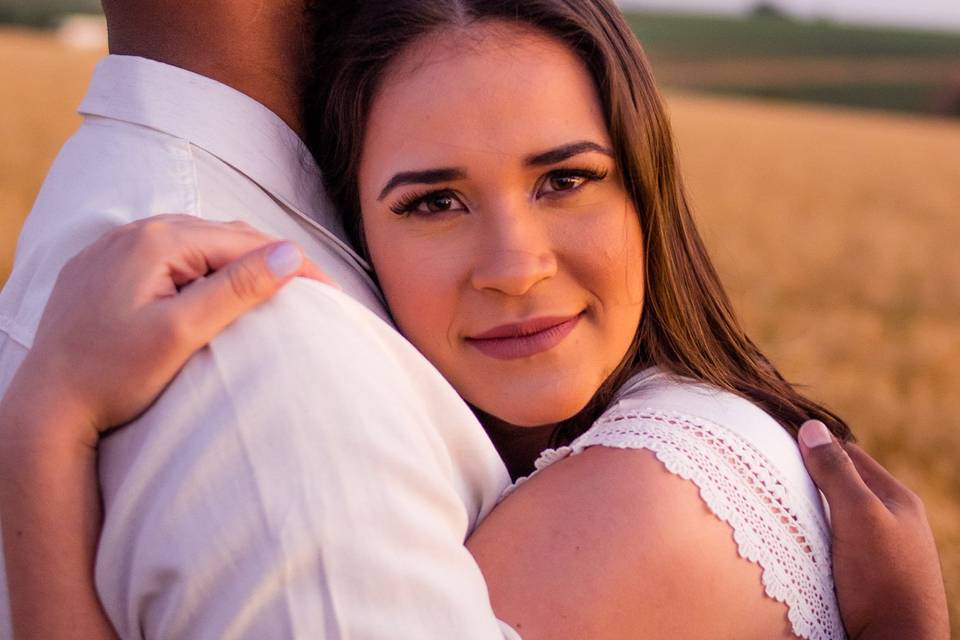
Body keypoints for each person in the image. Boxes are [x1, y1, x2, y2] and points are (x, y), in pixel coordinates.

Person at [0, 0, 950, 639]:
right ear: (350, 232)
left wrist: (44, 434)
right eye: (434, 203)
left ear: (646, 190)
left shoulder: (645, 497)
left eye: (567, 179)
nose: (513, 267)